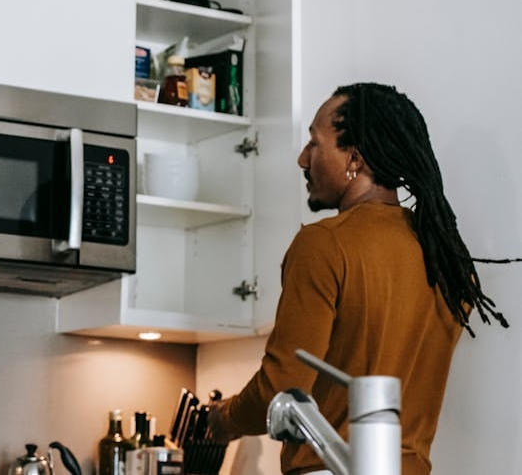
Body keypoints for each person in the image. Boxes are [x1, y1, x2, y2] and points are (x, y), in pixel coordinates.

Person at [208, 83, 510, 475]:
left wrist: (224, 418)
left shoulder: (324, 244)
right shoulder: (449, 260)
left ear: (354, 158)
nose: (303, 158)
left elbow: (281, 389)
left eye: (315, 144)